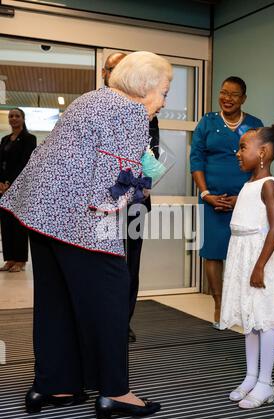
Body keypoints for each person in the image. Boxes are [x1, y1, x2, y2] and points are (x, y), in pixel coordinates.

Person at [0, 51, 172, 419]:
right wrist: (141, 188)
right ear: (144, 88)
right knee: (111, 295)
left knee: (55, 299)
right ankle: (115, 392)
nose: (163, 100)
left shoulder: (91, 98)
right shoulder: (132, 112)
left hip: (40, 210)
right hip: (79, 217)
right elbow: (114, 185)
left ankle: (53, 384)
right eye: (164, 90)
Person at [220, 120, 274, 409]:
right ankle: (251, 376)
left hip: (260, 256)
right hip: (244, 254)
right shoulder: (250, 183)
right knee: (250, 322)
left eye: (242, 147)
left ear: (262, 152)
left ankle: (266, 382)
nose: (237, 153)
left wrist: (260, 265)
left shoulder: (268, 185)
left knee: (263, 319)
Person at [190, 77, 263, 329]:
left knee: (244, 253)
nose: (227, 98)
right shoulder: (207, 122)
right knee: (213, 253)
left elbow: (261, 163)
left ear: (243, 98)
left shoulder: (255, 125)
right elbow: (196, 159)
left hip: (245, 201)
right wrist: (206, 193)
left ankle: (242, 305)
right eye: (223, 93)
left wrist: (243, 198)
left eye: (234, 94)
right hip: (212, 199)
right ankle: (220, 305)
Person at [102, 52, 160, 343]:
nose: (116, 73)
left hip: (137, 201)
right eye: (112, 68)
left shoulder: (148, 109)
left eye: (121, 68)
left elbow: (152, 154)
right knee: (103, 260)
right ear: (104, 73)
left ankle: (123, 321)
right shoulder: (95, 107)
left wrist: (145, 179)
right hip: (102, 203)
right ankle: (101, 319)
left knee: (131, 262)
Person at [0, 108, 36, 272]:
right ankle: (10, 258)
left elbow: (25, 163)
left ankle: (20, 260)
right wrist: (1, 182)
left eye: (17, 116)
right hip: (3, 188)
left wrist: (11, 182)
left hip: (20, 186)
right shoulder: (5, 139)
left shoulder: (29, 139)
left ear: (23, 119)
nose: (13, 118)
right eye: (11, 116)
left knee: (17, 223)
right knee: (6, 222)